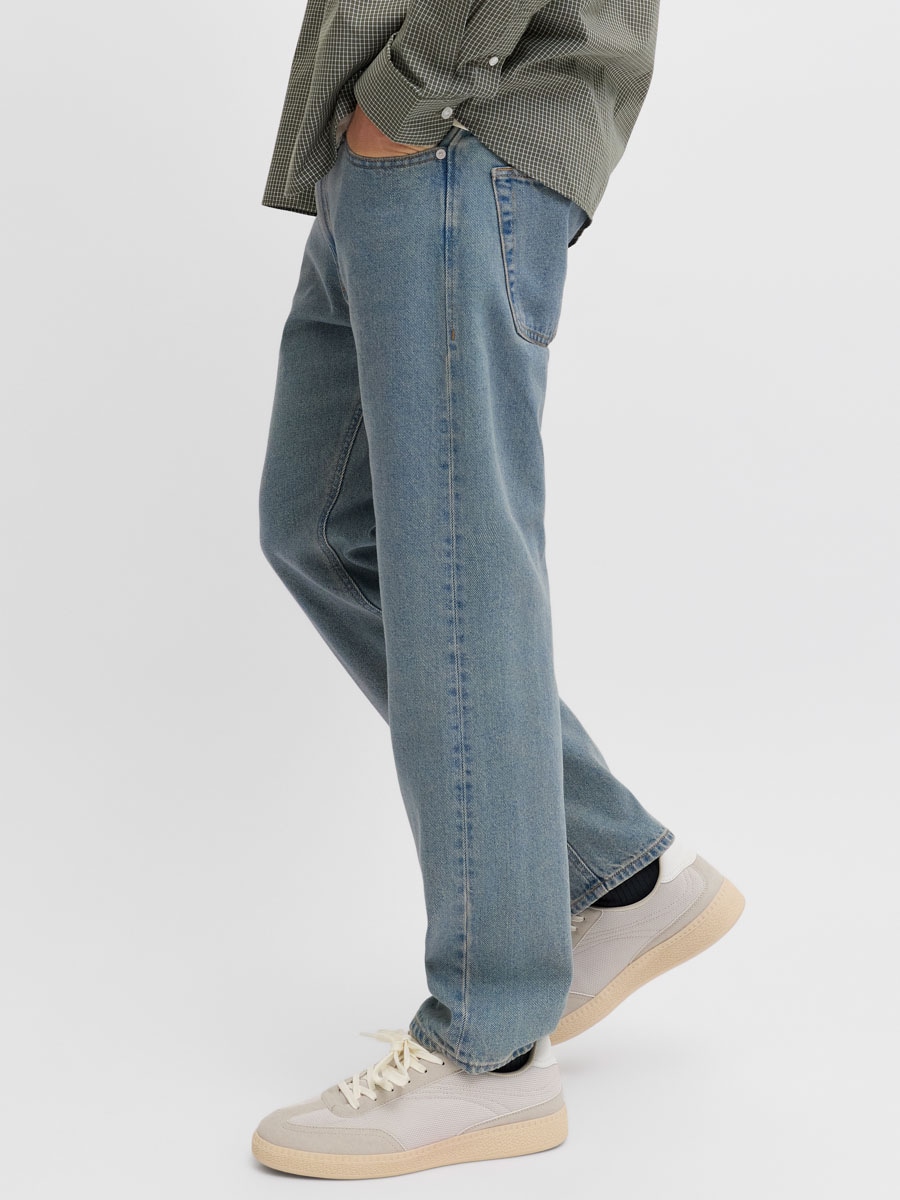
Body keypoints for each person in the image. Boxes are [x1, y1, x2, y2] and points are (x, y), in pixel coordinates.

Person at [252, 2, 744, 1180]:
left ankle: (491, 1049)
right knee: (321, 527)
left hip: (451, 125)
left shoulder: (432, 108)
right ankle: (618, 875)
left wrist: (413, 88)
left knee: (457, 567)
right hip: (401, 138)